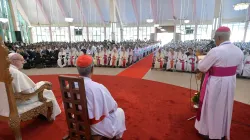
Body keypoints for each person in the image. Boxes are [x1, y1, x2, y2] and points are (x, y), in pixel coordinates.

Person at [195, 26, 244, 140]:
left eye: (215, 38)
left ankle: (209, 132)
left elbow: (202, 67)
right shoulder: (238, 51)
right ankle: (222, 132)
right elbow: (239, 70)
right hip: (230, 83)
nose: (215, 41)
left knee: (212, 106)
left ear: (219, 37)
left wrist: (202, 59)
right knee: (225, 106)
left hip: (216, 83)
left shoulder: (216, 51)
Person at [75, 55, 126, 139]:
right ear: (92, 69)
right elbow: (113, 107)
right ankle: (117, 137)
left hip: (78, 123)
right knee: (120, 112)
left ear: (77, 69)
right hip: (95, 127)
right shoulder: (98, 88)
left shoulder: (69, 85)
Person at [8, 53, 61, 120]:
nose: (24, 62)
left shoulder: (5, 69)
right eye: (21, 60)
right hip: (20, 101)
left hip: (7, 100)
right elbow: (29, 91)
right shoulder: (15, 73)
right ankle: (51, 115)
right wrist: (43, 83)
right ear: (14, 61)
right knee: (47, 91)